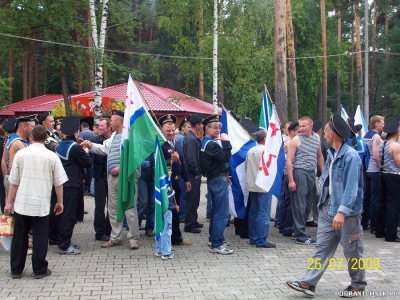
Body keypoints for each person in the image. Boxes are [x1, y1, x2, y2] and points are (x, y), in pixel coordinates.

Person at [285, 114, 367, 297]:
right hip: (327, 210)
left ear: (333, 135)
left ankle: (358, 285)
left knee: (352, 251)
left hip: (346, 214)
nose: (323, 136)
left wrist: (342, 212)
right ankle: (308, 283)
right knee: (321, 249)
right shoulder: (332, 154)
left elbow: (351, 188)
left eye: (327, 133)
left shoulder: (350, 156)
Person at [4, 125, 67, 279]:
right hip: (41, 202)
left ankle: (16, 269)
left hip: (22, 202)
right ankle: (39, 269)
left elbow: (14, 182)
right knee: (40, 236)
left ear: (31, 137)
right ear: (46, 138)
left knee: (20, 236)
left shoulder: (21, 155)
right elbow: (59, 183)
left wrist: (9, 202)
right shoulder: (52, 156)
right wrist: (60, 202)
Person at [83, 110, 141, 250]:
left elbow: (136, 157)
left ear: (119, 121)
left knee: (130, 208)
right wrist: (91, 146)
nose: (110, 122)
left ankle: (133, 238)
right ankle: (115, 238)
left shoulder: (130, 137)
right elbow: (104, 149)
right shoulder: (114, 136)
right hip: (112, 178)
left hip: (126, 178)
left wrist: (121, 168)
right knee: (113, 208)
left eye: (112, 120)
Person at [55, 116, 93, 255]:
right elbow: (88, 163)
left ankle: (62, 240)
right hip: (72, 185)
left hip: (62, 183)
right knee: (69, 216)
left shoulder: (61, 144)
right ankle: (64, 245)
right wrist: (86, 151)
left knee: (62, 215)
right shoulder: (76, 147)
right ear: (77, 131)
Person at [286, 116, 324, 245]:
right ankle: (300, 235)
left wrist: (323, 173)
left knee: (309, 203)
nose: (301, 128)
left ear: (311, 126)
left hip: (311, 173)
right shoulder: (296, 140)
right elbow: (289, 161)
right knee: (299, 204)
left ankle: (296, 230)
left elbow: (319, 156)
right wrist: (291, 180)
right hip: (299, 172)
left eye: (303, 126)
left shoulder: (317, 138)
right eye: (300, 126)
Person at [199, 115, 233, 255]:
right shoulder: (211, 144)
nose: (218, 130)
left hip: (217, 178)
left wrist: (224, 173)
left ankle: (214, 239)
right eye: (214, 127)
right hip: (218, 180)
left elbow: (217, 162)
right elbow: (225, 157)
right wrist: (227, 142)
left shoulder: (207, 142)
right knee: (222, 213)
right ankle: (217, 243)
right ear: (207, 128)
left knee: (215, 212)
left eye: (219, 127)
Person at [159, 114, 192, 246]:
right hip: (166, 185)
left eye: (173, 130)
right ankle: (166, 242)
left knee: (176, 212)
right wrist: (169, 161)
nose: (171, 133)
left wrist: (186, 178)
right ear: (161, 130)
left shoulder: (174, 143)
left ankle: (176, 238)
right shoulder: (160, 145)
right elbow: (156, 165)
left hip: (177, 183)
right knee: (167, 213)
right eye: (168, 131)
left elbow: (181, 162)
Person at [245, 130, 275, 248]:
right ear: (264, 138)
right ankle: (261, 239)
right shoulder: (266, 151)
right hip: (264, 185)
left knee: (254, 211)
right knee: (263, 212)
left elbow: (246, 166)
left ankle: (253, 237)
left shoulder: (250, 150)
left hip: (252, 184)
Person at [376, 119, 400, 242]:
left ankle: (380, 231)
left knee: (383, 203)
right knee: (393, 205)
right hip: (394, 176)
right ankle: (391, 234)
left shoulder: (385, 144)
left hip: (385, 174)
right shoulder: (395, 145)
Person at [2, 115, 36, 200]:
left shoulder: (18, 139)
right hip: (18, 182)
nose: (34, 129)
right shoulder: (17, 143)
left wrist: (6, 177)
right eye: (32, 127)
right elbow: (13, 166)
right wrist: (9, 180)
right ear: (24, 127)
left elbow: (3, 161)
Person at [361, 115, 385, 234]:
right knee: (375, 198)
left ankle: (364, 222)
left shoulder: (366, 135)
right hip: (374, 170)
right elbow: (375, 154)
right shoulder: (375, 137)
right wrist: (380, 165)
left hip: (366, 169)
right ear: (376, 124)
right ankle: (374, 225)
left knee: (366, 197)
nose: (383, 124)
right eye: (382, 122)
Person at [91, 118, 112, 242]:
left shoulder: (114, 140)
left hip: (112, 177)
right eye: (99, 126)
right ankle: (99, 232)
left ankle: (109, 231)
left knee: (112, 206)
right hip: (99, 177)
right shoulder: (95, 140)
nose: (99, 128)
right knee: (99, 206)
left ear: (109, 127)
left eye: (102, 126)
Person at [183, 113, 204, 233]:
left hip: (193, 173)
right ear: (197, 125)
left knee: (195, 198)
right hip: (192, 173)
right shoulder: (191, 138)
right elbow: (191, 158)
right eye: (201, 124)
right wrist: (196, 171)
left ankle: (193, 220)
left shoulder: (192, 137)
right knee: (192, 199)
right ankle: (189, 224)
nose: (202, 126)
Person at [278, 121, 298, 237]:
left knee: (285, 201)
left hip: (286, 173)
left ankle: (282, 224)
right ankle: (286, 226)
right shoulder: (289, 143)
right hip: (288, 173)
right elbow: (291, 159)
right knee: (289, 201)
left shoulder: (286, 142)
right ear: (292, 131)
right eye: (297, 131)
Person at [175, 117, 191, 223]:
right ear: (182, 129)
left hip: (181, 171)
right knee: (183, 195)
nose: (190, 129)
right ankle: (182, 216)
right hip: (180, 171)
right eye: (188, 127)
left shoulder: (182, 138)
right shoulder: (181, 139)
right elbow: (182, 157)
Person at [78, 122, 95, 196]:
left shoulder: (82, 133)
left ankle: (85, 189)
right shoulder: (92, 133)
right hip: (92, 154)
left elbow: (79, 144)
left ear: (82, 127)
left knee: (85, 173)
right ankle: (91, 188)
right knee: (90, 173)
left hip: (84, 155)